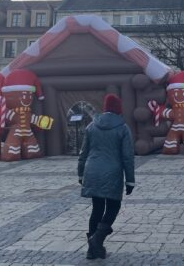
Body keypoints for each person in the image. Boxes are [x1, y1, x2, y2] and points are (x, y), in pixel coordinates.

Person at [78, 94, 135, 260]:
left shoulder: (91, 126)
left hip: (92, 171)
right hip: (112, 172)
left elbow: (83, 152)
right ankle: (97, 239)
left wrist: (81, 173)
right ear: (119, 109)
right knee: (113, 206)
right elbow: (127, 156)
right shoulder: (123, 128)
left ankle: (92, 250)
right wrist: (130, 180)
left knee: (97, 208)